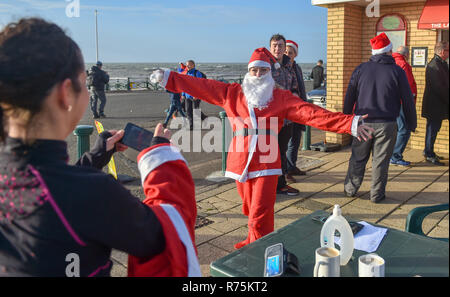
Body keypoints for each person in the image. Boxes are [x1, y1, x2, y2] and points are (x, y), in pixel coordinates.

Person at [0, 18, 200, 277]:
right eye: (82, 82)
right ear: (65, 94)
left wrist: (95, 158)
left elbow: (48, 188)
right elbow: (161, 235)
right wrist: (162, 159)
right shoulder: (91, 192)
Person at [150, 47, 374, 249]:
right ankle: (252, 240)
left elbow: (311, 113)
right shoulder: (232, 93)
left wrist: (349, 123)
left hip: (267, 163)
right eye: (254, 70)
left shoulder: (280, 97)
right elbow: (200, 86)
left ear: (269, 73)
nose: (257, 75)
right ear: (249, 72)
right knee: (248, 209)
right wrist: (169, 77)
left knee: (260, 212)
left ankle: (258, 251)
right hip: (240, 162)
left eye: (262, 71)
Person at [343, 33, 416, 203]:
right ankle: (376, 195)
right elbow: (407, 99)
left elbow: (350, 97)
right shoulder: (397, 71)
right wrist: (411, 123)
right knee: (380, 161)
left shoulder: (360, 69)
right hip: (387, 123)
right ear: (389, 51)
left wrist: (347, 121)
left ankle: (350, 189)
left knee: (357, 157)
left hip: (362, 123)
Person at [268, 34, 299, 195]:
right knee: (270, 153)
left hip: (287, 119)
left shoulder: (289, 66)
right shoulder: (265, 66)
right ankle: (273, 184)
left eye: (280, 45)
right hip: (271, 119)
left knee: (282, 150)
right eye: (274, 45)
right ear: (270, 47)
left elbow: (294, 87)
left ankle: (280, 184)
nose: (277, 48)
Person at [421, 41, 449, 166]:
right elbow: (440, 88)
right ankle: (429, 154)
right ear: (442, 51)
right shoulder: (434, 65)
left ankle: (429, 151)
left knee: (434, 130)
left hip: (438, 105)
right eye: (448, 50)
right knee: (432, 130)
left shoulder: (441, 63)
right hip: (434, 106)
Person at [390, 46, 418, 167]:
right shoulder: (403, 65)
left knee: (396, 128)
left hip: (392, 102)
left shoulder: (391, 62)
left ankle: (391, 155)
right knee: (404, 129)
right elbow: (407, 85)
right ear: (406, 55)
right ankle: (395, 156)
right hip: (402, 102)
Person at [285, 39, 307, 183]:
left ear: (295, 54)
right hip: (287, 109)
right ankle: (286, 171)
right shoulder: (282, 68)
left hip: (298, 108)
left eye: (291, 52)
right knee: (287, 140)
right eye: (286, 52)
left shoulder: (297, 68)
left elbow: (301, 87)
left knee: (296, 139)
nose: (288, 54)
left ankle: (292, 166)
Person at [181, 60, 207, 130]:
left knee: (196, 110)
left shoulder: (197, 73)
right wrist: (183, 94)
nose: (187, 67)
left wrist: (196, 94)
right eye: (187, 65)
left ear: (193, 65)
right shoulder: (185, 73)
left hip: (196, 96)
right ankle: (191, 125)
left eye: (189, 65)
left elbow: (200, 85)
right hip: (187, 96)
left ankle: (203, 118)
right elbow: (184, 85)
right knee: (188, 111)